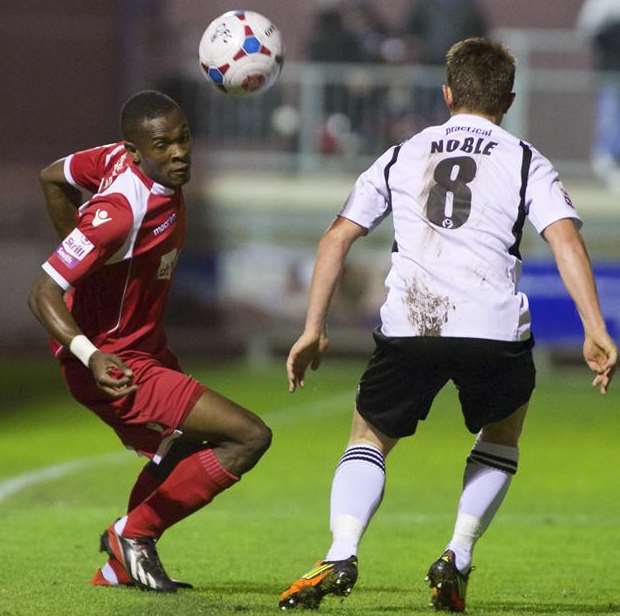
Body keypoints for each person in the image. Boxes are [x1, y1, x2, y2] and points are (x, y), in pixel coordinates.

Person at [278, 39, 617, 612]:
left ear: (446, 93)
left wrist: (314, 326)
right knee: (502, 433)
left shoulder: (402, 153)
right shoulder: (526, 158)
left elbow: (337, 236)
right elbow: (564, 239)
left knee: (369, 437)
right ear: (508, 99)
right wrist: (595, 328)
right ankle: (457, 552)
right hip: (491, 326)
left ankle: (341, 551)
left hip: (412, 320)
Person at [29, 90, 272, 593]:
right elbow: (43, 291)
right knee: (248, 436)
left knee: (182, 447)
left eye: (184, 139)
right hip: (116, 361)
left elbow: (53, 174)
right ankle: (132, 536)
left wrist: (91, 269)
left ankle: (122, 564)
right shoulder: (120, 211)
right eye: (163, 145)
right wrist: (91, 352)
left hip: (143, 346)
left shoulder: (119, 159)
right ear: (136, 150)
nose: (179, 152)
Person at [576, 0, 620, 190]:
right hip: (610, 72)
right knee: (610, 118)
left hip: (611, 72)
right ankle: (607, 160)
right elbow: (586, 31)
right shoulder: (603, 5)